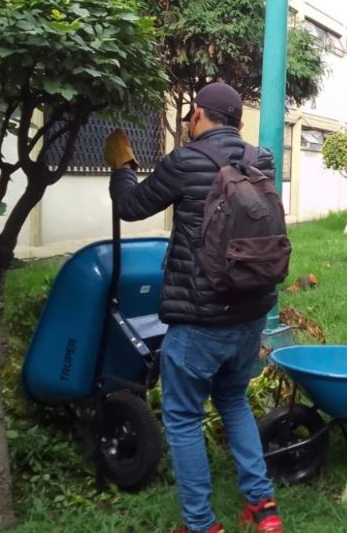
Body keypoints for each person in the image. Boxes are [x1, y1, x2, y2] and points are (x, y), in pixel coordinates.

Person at [104, 82, 283, 533]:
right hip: (252, 309)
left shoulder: (184, 161)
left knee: (183, 418)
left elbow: (130, 207)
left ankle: (201, 525)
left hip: (201, 316)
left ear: (199, 113)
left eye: (189, 115)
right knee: (234, 400)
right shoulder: (261, 159)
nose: (187, 122)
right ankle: (263, 509)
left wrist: (123, 164)